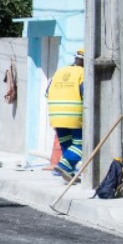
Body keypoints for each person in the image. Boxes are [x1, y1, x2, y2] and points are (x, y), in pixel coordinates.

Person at [47, 49, 85, 180]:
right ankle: (63, 167)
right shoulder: (84, 73)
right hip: (74, 115)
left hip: (56, 116)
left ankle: (68, 172)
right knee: (82, 145)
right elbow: (87, 95)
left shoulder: (59, 72)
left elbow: (47, 92)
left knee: (67, 146)